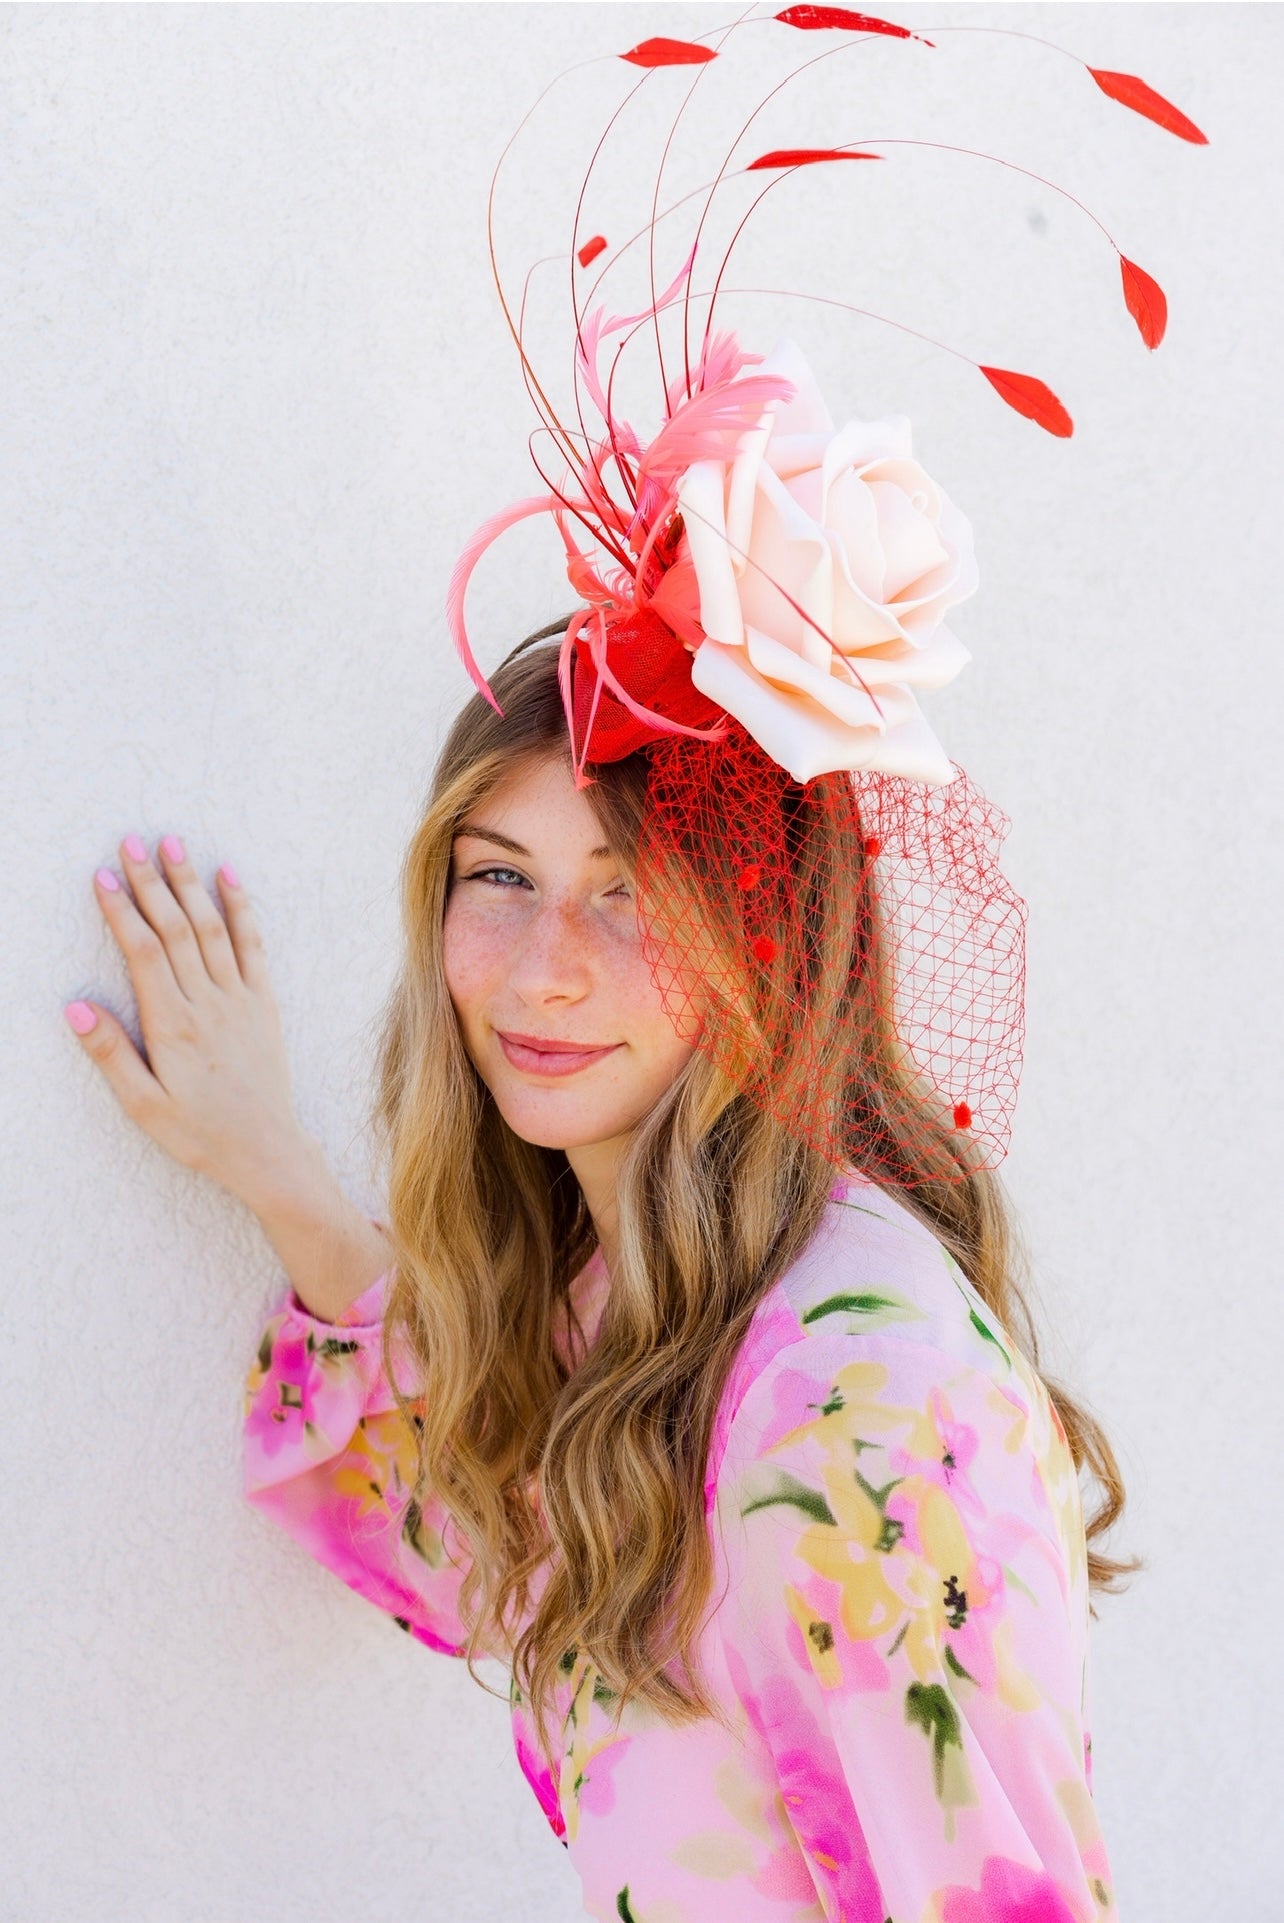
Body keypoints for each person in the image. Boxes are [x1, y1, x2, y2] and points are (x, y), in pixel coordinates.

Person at [63, 15, 1208, 1917]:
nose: (540, 967)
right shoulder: (649, 1310)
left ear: (766, 939)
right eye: (496, 876)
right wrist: (270, 1168)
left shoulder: (854, 1392)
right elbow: (494, 1556)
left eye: (631, 899)